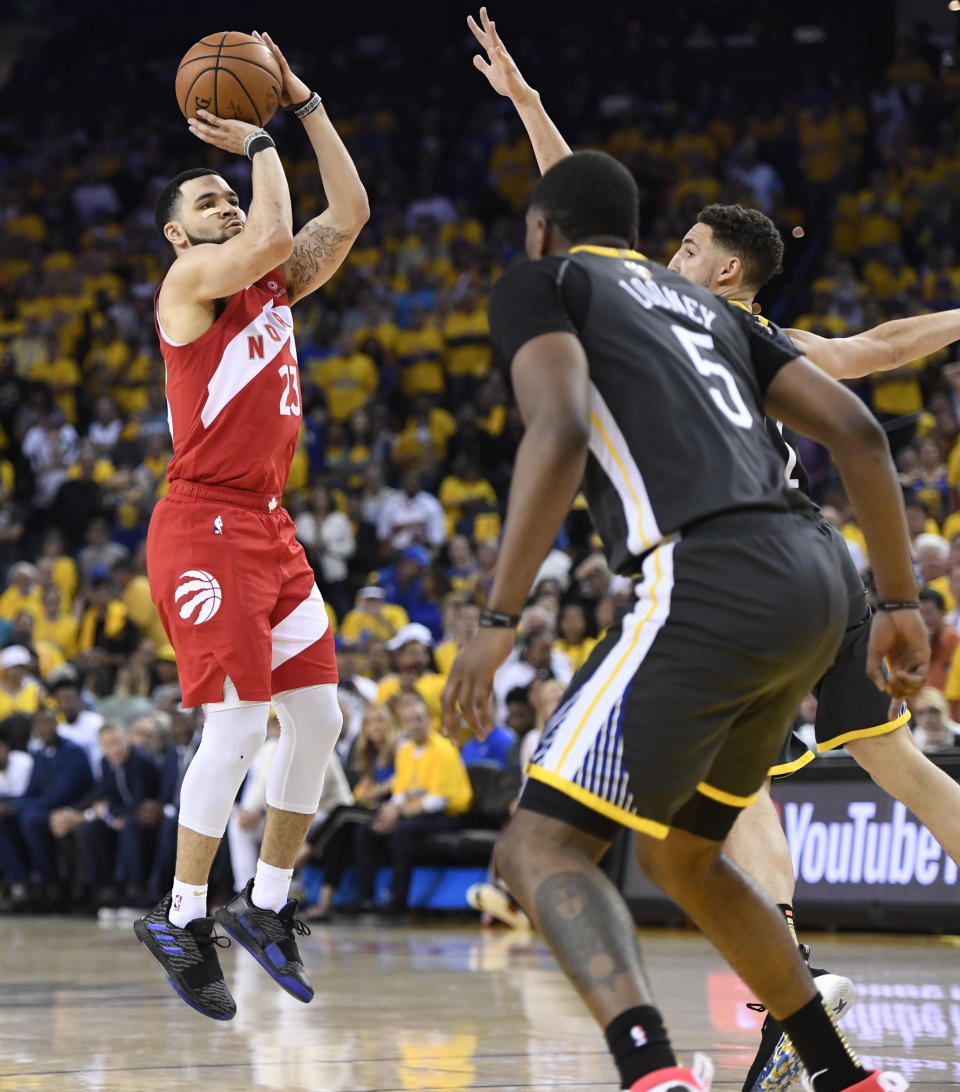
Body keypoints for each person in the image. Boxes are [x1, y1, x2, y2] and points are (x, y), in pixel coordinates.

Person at [465, 14, 957, 1087]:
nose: (669, 256)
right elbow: (589, 228)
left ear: (724, 266)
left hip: (723, 566)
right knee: (755, 808)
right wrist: (528, 103)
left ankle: (718, 1024)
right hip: (821, 572)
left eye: (687, 247)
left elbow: (581, 245)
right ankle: (804, 1007)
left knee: (597, 832)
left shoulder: (714, 317)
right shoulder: (694, 313)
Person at [134, 30, 369, 1020]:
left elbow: (349, 212)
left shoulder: (269, 280)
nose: (225, 201)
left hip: (270, 529)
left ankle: (264, 905)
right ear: (181, 238)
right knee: (234, 725)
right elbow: (271, 234)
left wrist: (303, 104)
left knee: (318, 716)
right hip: (203, 527)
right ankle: (182, 914)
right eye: (207, 202)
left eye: (227, 191)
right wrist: (260, 148)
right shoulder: (188, 287)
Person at [353, 691, 472, 915]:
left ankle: (398, 904)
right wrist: (389, 812)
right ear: (402, 725)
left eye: (419, 719)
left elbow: (438, 801)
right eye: (408, 721)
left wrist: (399, 813)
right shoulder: (405, 751)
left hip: (448, 815)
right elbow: (400, 793)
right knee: (365, 830)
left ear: (428, 720)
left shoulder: (443, 749)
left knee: (401, 832)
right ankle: (365, 900)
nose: (414, 725)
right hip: (412, 813)